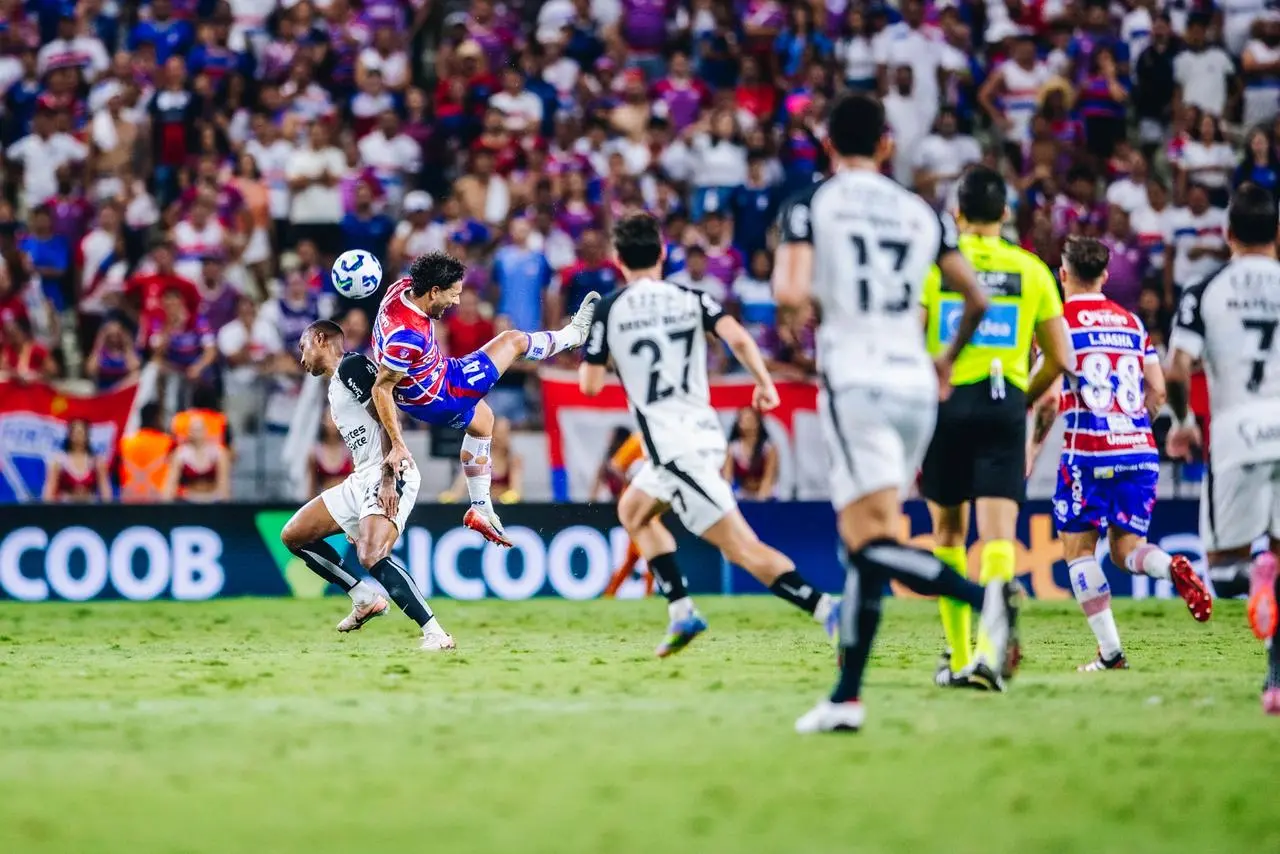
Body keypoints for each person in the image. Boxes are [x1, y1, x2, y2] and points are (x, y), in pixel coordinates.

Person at [772, 93, 1019, 734]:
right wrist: (943, 362)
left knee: (867, 541)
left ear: (827, 144)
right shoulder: (921, 212)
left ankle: (985, 598)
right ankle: (847, 697)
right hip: (915, 383)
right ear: (886, 145)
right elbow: (975, 299)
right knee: (867, 548)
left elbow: (790, 293)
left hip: (857, 380)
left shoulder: (811, 203)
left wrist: (803, 321)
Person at [581, 212, 837, 657]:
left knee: (743, 549)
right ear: (663, 253)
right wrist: (764, 382)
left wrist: (595, 341)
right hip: (697, 436)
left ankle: (828, 610)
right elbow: (737, 337)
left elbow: (589, 385)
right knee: (634, 510)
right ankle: (681, 610)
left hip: (676, 450)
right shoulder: (691, 297)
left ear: (617, 259)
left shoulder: (609, 307)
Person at [917, 164, 1071, 688]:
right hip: (1003, 403)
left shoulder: (934, 268)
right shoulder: (1031, 270)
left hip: (945, 402)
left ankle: (958, 659)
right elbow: (1060, 358)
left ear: (957, 214)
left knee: (947, 532)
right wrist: (1021, 401)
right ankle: (988, 652)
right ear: (1005, 213)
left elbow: (914, 337)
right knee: (999, 538)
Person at [1027, 237, 1211, 671]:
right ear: (1106, 276)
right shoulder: (1131, 322)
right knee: (1128, 549)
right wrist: (1131, 424)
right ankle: (1172, 568)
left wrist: (1032, 450)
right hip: (1139, 449)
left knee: (1079, 550)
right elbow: (1159, 389)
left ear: (1063, 274)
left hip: (1088, 451)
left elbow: (1050, 399)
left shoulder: (1058, 321)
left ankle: (1111, 653)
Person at [371, 252, 601, 548]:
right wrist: (398, 443)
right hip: (441, 394)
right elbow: (381, 388)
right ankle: (575, 334)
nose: (456, 302)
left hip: (432, 379)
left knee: (484, 421)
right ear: (434, 291)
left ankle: (480, 507)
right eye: (453, 295)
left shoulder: (400, 289)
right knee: (512, 341)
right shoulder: (407, 335)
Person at [1165, 184, 1280, 714]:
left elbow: (1177, 368)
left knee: (1222, 567)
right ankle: (1275, 681)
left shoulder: (1203, 289)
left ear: (1228, 233)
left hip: (1236, 431)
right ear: (1277, 234)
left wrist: (1185, 421)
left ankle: (1258, 575)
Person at [282, 320, 454, 651]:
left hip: (390, 469)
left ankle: (436, 633)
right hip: (362, 477)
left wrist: (388, 478)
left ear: (320, 339)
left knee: (371, 554)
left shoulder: (351, 366)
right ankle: (363, 597)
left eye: (303, 347)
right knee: (294, 536)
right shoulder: (334, 386)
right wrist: (360, 507)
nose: (301, 357)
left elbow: (387, 415)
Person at [163, 417, 230, 503]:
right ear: (189, 432)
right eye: (194, 430)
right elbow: (171, 482)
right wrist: (165, 505)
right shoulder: (181, 454)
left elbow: (224, 482)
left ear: (206, 430)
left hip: (213, 498)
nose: (197, 433)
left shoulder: (218, 452)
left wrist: (225, 504)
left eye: (200, 429)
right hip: (189, 499)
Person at [42, 418, 111, 503]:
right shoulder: (58, 461)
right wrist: (45, 512)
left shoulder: (97, 461)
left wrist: (108, 511)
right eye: (75, 432)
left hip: (91, 510)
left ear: (87, 435)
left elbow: (105, 491)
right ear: (69, 435)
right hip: (65, 510)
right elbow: (50, 489)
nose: (78, 436)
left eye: (81, 432)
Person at [119, 403, 174, 503]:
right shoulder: (168, 442)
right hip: (158, 502)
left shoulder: (125, 442)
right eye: (162, 417)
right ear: (156, 418)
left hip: (129, 499)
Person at [723, 406, 778, 500]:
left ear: (757, 423)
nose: (743, 422)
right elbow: (727, 477)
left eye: (748, 419)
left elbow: (768, 478)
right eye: (741, 419)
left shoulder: (769, 449)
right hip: (742, 495)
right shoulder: (733, 449)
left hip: (767, 495)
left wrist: (760, 501)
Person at [308, 413, 355, 496]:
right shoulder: (314, 453)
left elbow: (356, 481)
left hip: (347, 499)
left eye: (336, 418)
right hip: (325, 502)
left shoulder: (350, 450)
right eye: (330, 418)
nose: (333, 422)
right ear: (323, 421)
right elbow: (311, 487)